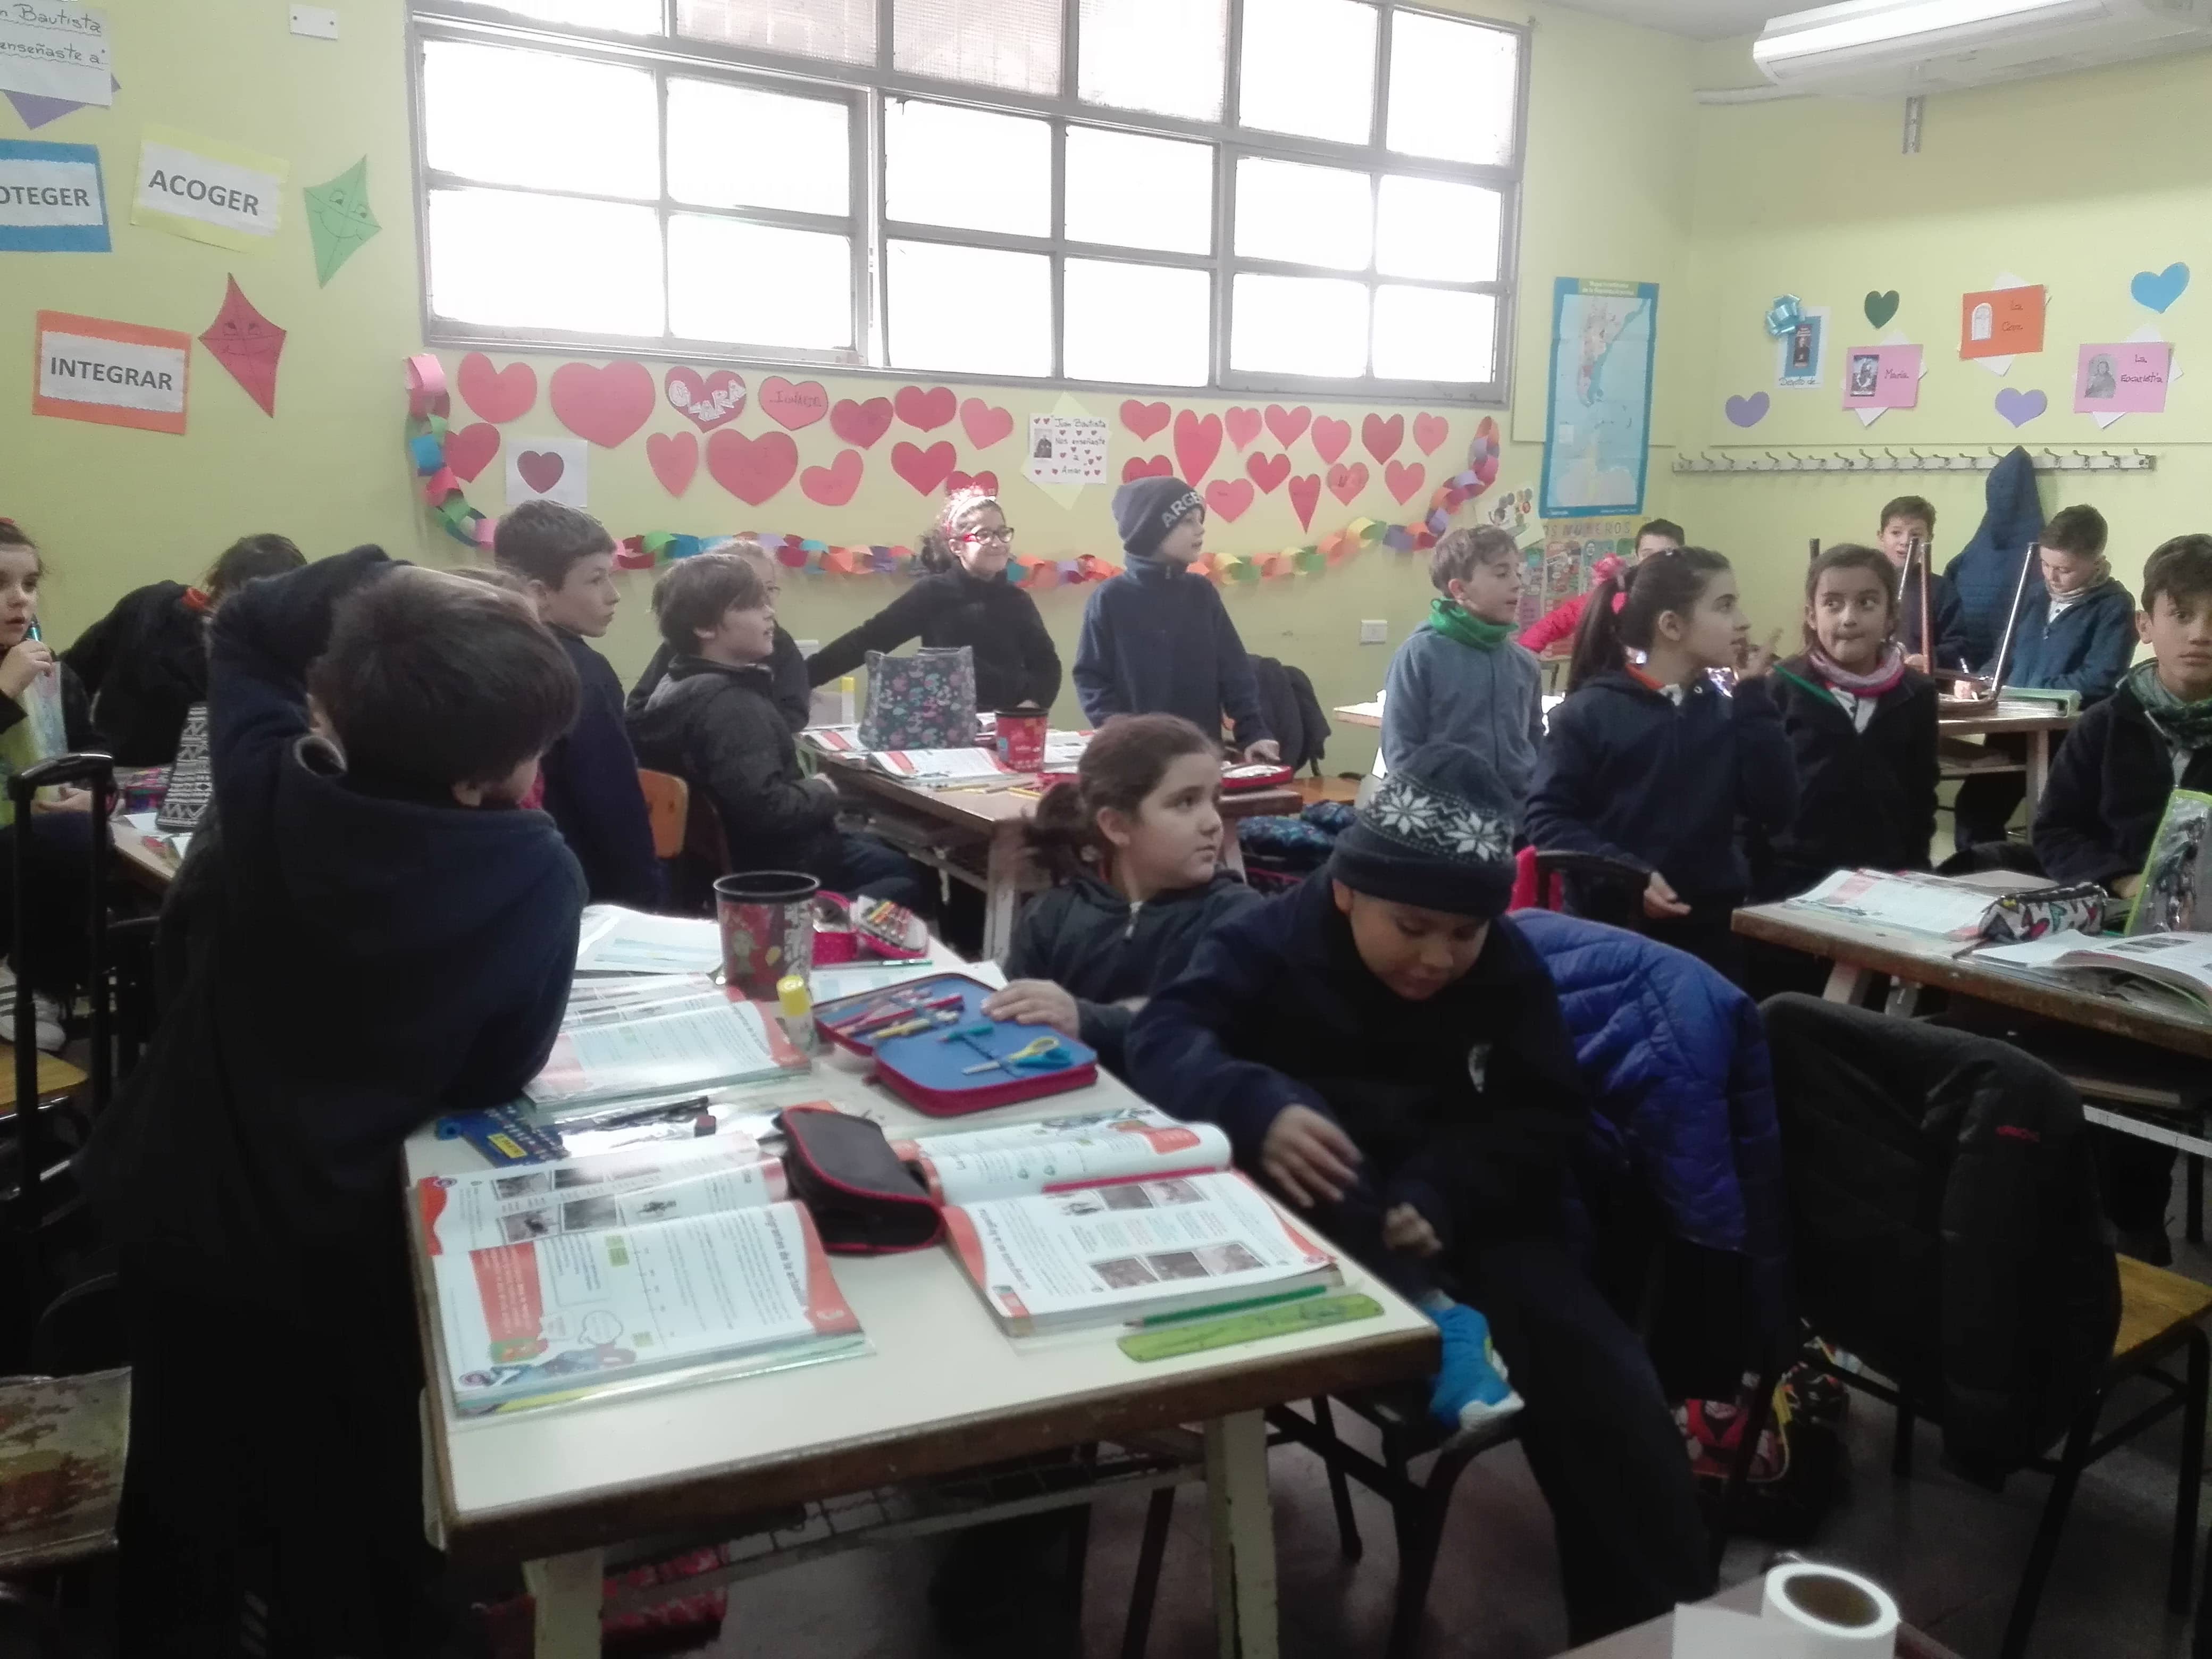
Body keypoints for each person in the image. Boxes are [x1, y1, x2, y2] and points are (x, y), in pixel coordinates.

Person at [77, 549, 585, 1656]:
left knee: (180, 1469)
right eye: (533, 752)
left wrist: (398, 583)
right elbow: (496, 1074)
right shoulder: (532, 871)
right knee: (347, 1504)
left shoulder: (271, 795)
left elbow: (249, 624)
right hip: (348, 1245)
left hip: (184, 1204)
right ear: (475, 782)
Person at [1127, 745, 1710, 1643]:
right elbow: (1167, 1033)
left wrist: (1445, 1188)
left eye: (1464, 933)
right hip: (1306, 1212)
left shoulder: (1503, 967)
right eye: (1413, 927)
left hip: (1471, 1218)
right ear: (1346, 891)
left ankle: (1654, 1638)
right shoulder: (1270, 938)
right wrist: (1254, 1104)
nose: (1438, 958)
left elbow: (1544, 1116)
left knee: (1614, 1402)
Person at [2032, 534, 2212, 1264]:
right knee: (2119, 1064)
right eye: (2182, 614)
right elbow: (2054, 830)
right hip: (2121, 944)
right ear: (2145, 624)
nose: (2200, 634)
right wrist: (2118, 879)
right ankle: (2132, 1230)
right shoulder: (2106, 725)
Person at [1526, 547, 1796, 983]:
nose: (1743, 621)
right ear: (1671, 626)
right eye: (1725, 606)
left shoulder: (1727, 710)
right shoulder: (1589, 713)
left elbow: (1777, 809)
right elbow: (1547, 818)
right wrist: (1626, 875)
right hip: (1610, 938)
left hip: (1710, 936)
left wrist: (1753, 698)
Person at [627, 553, 924, 908]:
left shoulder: (674, 684)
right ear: (705, 627)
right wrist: (823, 789)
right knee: (910, 877)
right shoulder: (732, 706)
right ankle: (819, 929)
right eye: (753, 606)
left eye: (767, 601)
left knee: (881, 850)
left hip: (733, 866)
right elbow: (768, 809)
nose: (769, 612)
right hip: (779, 872)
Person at [986, 714, 1263, 1077]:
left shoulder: (1238, 916)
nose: (1212, 822)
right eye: (1186, 802)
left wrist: (1085, 1019)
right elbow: (1012, 1028)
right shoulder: (1052, 914)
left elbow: (1202, 1024)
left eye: (1214, 799)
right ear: (1116, 826)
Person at [494, 500, 663, 910]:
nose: (613, 595)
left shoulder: (493, 652)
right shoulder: (582, 673)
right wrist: (647, 896)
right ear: (540, 593)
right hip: (586, 889)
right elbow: (612, 800)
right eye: (595, 580)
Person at [1754, 544, 1938, 902]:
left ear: (1891, 615)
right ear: (1812, 615)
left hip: (1885, 879)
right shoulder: (1782, 687)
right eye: (1833, 604)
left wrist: (1915, 875)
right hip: (1793, 878)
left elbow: (1921, 795)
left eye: (1867, 603)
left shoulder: (1916, 693)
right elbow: (1751, 796)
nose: (1849, 618)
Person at [1955, 505, 2133, 850]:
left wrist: (2023, 691)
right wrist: (1983, 679)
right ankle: (1980, 875)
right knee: (1975, 810)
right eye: (2045, 565)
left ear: (2096, 562)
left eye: (2064, 570)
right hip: (2012, 726)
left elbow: (2099, 679)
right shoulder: (2035, 595)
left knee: (2053, 823)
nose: (2052, 577)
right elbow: (2003, 654)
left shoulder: (2114, 606)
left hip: (2066, 734)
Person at [1073, 476, 1279, 761]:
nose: (1200, 529)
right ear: (1151, 531)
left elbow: (1235, 671)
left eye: (1200, 519)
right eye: (1187, 521)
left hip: (1200, 756)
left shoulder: (1201, 593)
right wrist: (1119, 731)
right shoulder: (1111, 598)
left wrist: (1254, 732)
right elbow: (1091, 678)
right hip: (1136, 759)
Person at [61, 531, 304, 765]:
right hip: (114, 771)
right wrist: (82, 764)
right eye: (243, 606)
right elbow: (70, 677)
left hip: (203, 783)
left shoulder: (283, 659)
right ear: (215, 582)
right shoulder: (148, 609)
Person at [808, 491, 1061, 715]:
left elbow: (1047, 666)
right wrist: (801, 677)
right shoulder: (933, 593)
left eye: (1002, 533)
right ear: (957, 546)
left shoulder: (1018, 601)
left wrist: (1028, 709)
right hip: (947, 725)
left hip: (1009, 724)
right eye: (983, 535)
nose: (996, 543)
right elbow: (867, 640)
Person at [0, 519, 98, 1052]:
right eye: (0, 584)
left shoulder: (55, 677)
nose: (20, 599)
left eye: (30, 584)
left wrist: (97, 795)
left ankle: (40, 982)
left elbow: (96, 754)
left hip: (36, 844)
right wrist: (4, 691)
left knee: (83, 833)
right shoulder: (16, 676)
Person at [1380, 526, 1543, 815]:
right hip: (1444, 815)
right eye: (1502, 574)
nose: (1517, 584)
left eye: (1517, 573)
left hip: (1516, 817)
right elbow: (1401, 749)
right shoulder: (1420, 655)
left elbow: (1534, 740)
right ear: (1460, 589)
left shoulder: (1524, 663)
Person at [629, 534, 810, 733]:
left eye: (769, 589)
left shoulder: (780, 643)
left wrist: (751, 723)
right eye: (749, 593)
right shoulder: (685, 646)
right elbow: (638, 709)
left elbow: (795, 713)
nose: (765, 601)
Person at [1517, 517, 1682, 655]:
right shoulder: (1616, 591)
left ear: (1682, 556)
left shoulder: (1691, 594)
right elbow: (1556, 621)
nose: (1656, 561)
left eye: (1666, 553)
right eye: (1648, 554)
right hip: (1621, 678)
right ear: (1637, 556)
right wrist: (1524, 655)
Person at [1879, 495, 1971, 675]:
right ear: (1881, 537)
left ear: (1929, 539)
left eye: (1916, 535)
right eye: (1896, 533)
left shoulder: (1941, 590)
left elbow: (1959, 645)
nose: (1905, 542)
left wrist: (1930, 659)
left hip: (1917, 680)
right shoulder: (1865, 583)